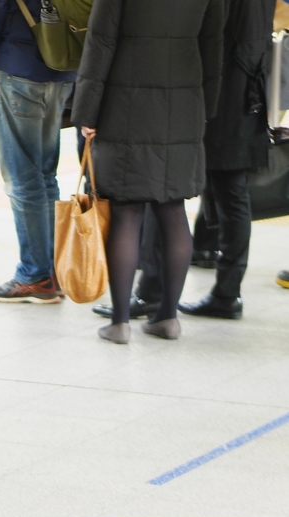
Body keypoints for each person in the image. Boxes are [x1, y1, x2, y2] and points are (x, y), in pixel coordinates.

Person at [72, 0, 224, 344]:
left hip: (125, 107)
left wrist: (86, 112)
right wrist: (206, 105)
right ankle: (168, 318)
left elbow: (101, 42)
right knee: (173, 210)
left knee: (126, 212)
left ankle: (120, 323)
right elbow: (213, 45)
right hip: (184, 105)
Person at [0, 0, 75, 303]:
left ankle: (34, 275)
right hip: (59, 65)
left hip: (17, 68)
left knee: (22, 178)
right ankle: (51, 271)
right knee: (45, 175)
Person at [179, 0, 277, 321]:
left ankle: (227, 291)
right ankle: (225, 284)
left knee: (230, 190)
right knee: (230, 189)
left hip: (228, 89)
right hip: (245, 84)